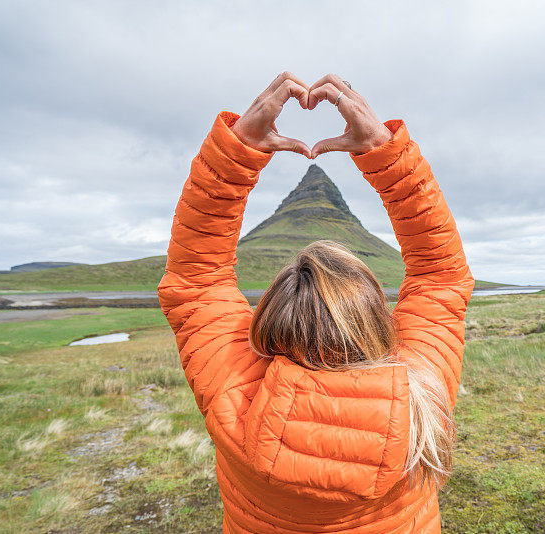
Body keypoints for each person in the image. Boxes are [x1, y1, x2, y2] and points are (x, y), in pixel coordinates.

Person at [158, 72, 475, 533]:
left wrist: (236, 152)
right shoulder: (421, 392)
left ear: (267, 323)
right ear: (374, 324)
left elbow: (195, 279)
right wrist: (386, 152)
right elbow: (440, 275)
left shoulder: (234, 397)